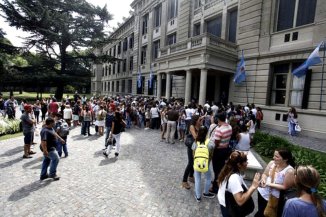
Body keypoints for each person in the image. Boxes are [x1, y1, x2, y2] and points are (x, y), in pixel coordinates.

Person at [218, 151, 261, 217]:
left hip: (225, 203)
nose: (247, 163)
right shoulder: (234, 178)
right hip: (230, 209)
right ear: (238, 164)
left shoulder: (229, 169)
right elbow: (240, 201)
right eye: (245, 161)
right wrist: (253, 186)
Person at [255, 148, 296, 217]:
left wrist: (268, 184)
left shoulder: (289, 171)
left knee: (265, 213)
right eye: (274, 155)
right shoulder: (272, 163)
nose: (274, 158)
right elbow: (265, 174)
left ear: (285, 159)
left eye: (277, 156)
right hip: (262, 193)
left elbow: (285, 187)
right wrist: (263, 180)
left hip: (274, 197)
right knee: (261, 211)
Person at [210, 112, 233, 193]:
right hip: (226, 150)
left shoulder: (219, 130)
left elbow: (216, 143)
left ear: (218, 119)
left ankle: (215, 188)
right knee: (222, 168)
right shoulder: (229, 127)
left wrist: (212, 151)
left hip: (218, 151)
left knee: (216, 169)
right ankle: (219, 182)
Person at [193, 126, 215, 202]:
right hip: (206, 164)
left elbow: (193, 153)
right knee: (208, 178)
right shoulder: (210, 143)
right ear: (207, 133)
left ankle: (198, 196)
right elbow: (211, 155)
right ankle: (206, 192)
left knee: (197, 179)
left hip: (197, 163)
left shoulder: (196, 142)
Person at [181, 115, 202, 189]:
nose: (201, 121)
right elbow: (196, 137)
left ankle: (190, 176)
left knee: (194, 162)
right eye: (199, 120)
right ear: (196, 121)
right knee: (190, 163)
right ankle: (184, 181)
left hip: (197, 147)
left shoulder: (199, 126)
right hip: (191, 146)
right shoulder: (192, 126)